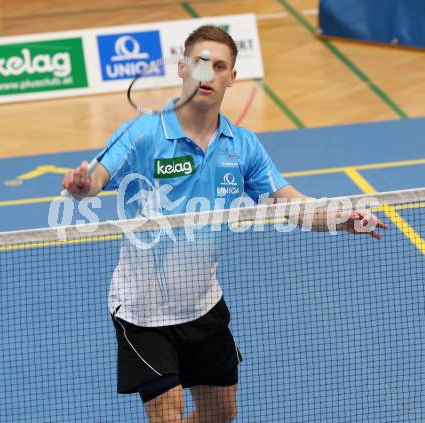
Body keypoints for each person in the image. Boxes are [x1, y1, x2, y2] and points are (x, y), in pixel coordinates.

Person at [62, 25, 387, 423]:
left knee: (221, 413)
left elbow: (291, 205)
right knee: (169, 411)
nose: (208, 74)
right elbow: (97, 177)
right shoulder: (142, 132)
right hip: (142, 312)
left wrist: (341, 219)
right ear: (182, 68)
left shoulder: (242, 146)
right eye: (200, 64)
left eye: (219, 66)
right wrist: (84, 184)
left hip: (203, 305)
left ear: (231, 77)